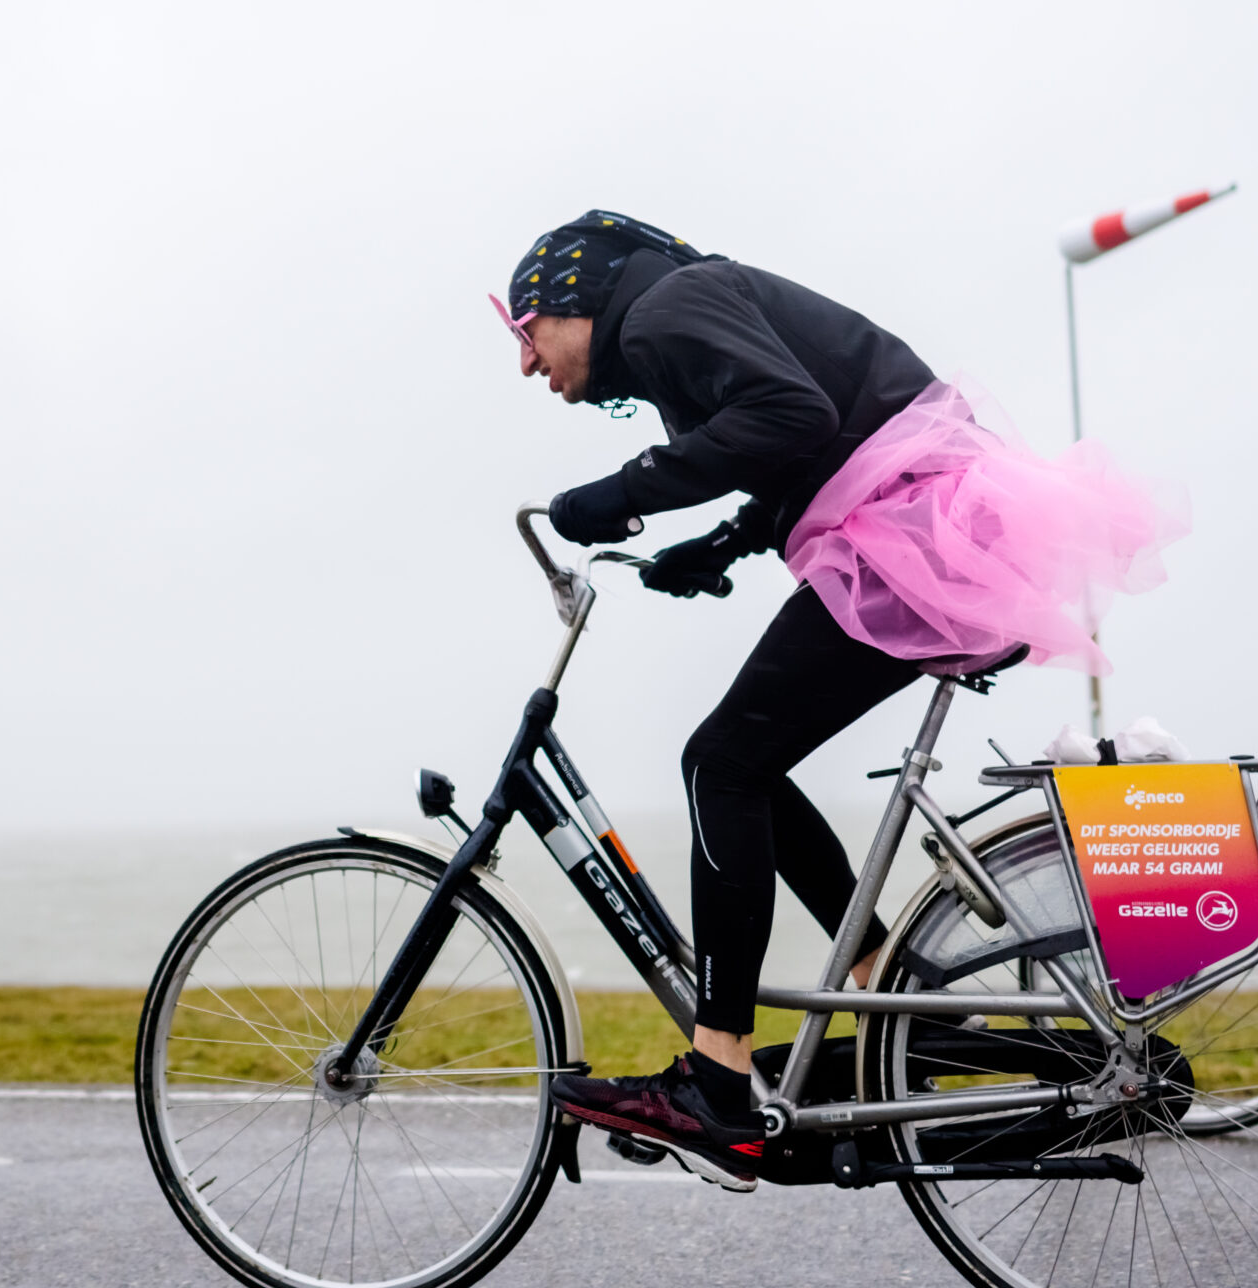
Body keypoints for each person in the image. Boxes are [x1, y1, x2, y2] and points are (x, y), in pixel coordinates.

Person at [504, 210, 1180, 1189]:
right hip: (929, 524)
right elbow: (802, 439)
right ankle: (886, 987)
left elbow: (792, 414)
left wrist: (623, 492)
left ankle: (717, 1081)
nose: (527, 363)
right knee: (747, 767)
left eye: (526, 331)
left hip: (916, 533)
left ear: (576, 298)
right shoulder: (677, 316)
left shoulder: (658, 312)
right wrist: (721, 543)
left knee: (721, 766)